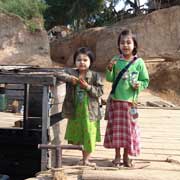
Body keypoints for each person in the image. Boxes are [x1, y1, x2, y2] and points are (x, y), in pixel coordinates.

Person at [104, 29, 149, 167]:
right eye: (122, 43)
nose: (125, 45)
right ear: (119, 45)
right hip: (117, 102)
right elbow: (109, 78)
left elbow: (145, 80)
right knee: (117, 131)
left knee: (129, 131)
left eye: (129, 42)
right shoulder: (115, 60)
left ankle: (126, 157)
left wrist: (138, 85)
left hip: (131, 104)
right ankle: (117, 156)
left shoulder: (139, 62)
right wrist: (109, 69)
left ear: (134, 45)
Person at [55, 47, 103, 167]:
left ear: (90, 62)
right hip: (75, 110)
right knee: (79, 134)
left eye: (85, 60)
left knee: (89, 133)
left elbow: (100, 91)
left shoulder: (95, 76)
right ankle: (83, 158)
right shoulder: (71, 73)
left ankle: (86, 159)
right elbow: (57, 73)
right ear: (75, 61)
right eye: (78, 59)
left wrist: (87, 87)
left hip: (90, 111)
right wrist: (71, 79)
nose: (82, 62)